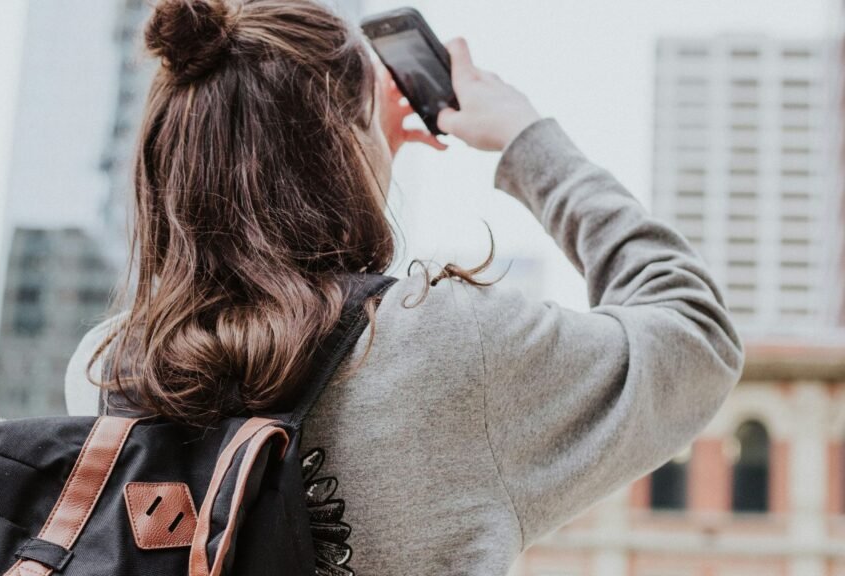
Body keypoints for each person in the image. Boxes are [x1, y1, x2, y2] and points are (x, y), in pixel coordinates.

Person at [65, 0, 744, 573]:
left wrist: (361, 143)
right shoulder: (448, 343)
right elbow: (695, 335)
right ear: (342, 148)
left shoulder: (106, 370)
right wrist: (524, 138)